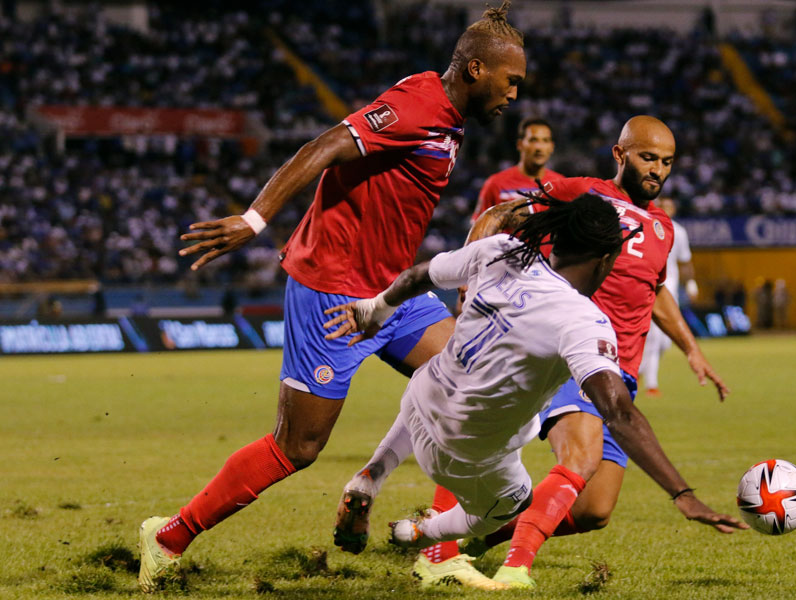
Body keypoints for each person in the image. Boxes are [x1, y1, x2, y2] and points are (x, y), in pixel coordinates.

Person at [137, 3, 527, 592]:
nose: (515, 94)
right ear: (476, 69)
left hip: (393, 290)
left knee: (468, 382)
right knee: (297, 446)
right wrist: (254, 218)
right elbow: (323, 147)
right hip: (330, 290)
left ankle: (432, 542)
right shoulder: (420, 105)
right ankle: (168, 538)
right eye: (511, 81)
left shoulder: (446, 111)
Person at [336, 116, 738, 589]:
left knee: (593, 510)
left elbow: (655, 290)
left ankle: (466, 535)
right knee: (550, 452)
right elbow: (499, 217)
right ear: (620, 153)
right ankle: (501, 565)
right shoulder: (579, 193)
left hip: (620, 370)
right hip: (572, 355)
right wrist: (469, 284)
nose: (657, 170)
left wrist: (692, 348)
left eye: (667, 162)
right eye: (648, 157)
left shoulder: (663, 228)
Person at [638, 196, 697, 396]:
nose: (665, 209)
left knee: (665, 341)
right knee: (654, 338)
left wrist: (690, 283)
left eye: (669, 206)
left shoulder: (678, 231)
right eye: (662, 205)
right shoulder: (646, 225)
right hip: (651, 286)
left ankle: (638, 371)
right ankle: (651, 385)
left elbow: (685, 260)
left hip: (670, 288)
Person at [470, 117, 564, 222]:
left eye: (545, 140)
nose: (539, 147)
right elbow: (478, 228)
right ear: (520, 144)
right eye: (533, 140)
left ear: (552, 147)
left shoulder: (561, 185)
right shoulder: (495, 184)